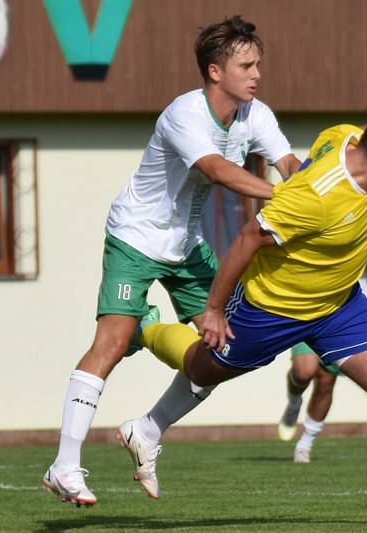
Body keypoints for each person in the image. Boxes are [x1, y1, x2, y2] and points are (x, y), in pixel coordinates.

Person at [129, 103, 367, 524]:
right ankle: (145, 328)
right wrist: (215, 310)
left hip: (339, 305)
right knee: (201, 369)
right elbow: (247, 238)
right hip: (271, 308)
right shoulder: (316, 197)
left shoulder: (346, 136)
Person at [42, 16, 303, 507]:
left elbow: (288, 163)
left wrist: (307, 184)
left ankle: (148, 429)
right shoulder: (185, 113)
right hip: (135, 239)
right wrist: (282, 196)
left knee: (225, 351)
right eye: (246, 66)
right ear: (214, 71)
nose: (256, 75)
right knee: (112, 343)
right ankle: (64, 466)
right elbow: (217, 170)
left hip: (187, 248)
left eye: (258, 65)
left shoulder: (256, 114)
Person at [278, 208, 367, 464]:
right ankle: (294, 399)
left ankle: (305, 444)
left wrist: (347, 254)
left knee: (326, 380)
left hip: (345, 309)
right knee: (304, 371)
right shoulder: (324, 200)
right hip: (309, 301)